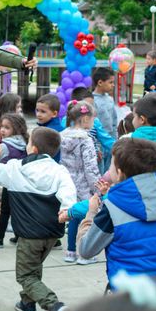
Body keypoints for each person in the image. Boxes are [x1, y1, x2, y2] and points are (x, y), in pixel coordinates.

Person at [0, 127, 76, 311]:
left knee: (25, 275)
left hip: (30, 235)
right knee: (34, 268)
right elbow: (68, 192)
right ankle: (27, 303)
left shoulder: (16, 169)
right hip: (52, 233)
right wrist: (66, 208)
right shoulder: (59, 170)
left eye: (29, 142)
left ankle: (54, 306)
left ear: (34, 149)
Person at [76, 138, 156, 287]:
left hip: (127, 297)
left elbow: (86, 250)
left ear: (119, 173)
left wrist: (91, 213)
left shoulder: (112, 208)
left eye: (111, 166)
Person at [59, 100, 101, 265]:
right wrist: (97, 188)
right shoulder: (86, 140)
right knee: (86, 216)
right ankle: (85, 254)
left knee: (73, 215)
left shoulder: (62, 136)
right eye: (92, 119)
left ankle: (70, 251)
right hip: (83, 184)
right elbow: (90, 167)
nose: (93, 123)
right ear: (85, 120)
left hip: (68, 183)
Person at [0, 113, 28, 248]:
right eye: (2, 126)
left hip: (9, 182)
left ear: (16, 130)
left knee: (5, 210)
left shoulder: (5, 145)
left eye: (7, 127)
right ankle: (18, 235)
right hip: (22, 183)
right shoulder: (24, 143)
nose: (2, 130)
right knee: (19, 210)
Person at [92, 67, 117, 173]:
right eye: (110, 82)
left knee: (109, 172)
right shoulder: (92, 101)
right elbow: (92, 127)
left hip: (110, 142)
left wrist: (115, 140)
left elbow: (114, 121)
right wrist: (96, 147)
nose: (113, 85)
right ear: (100, 82)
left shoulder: (110, 99)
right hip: (99, 145)